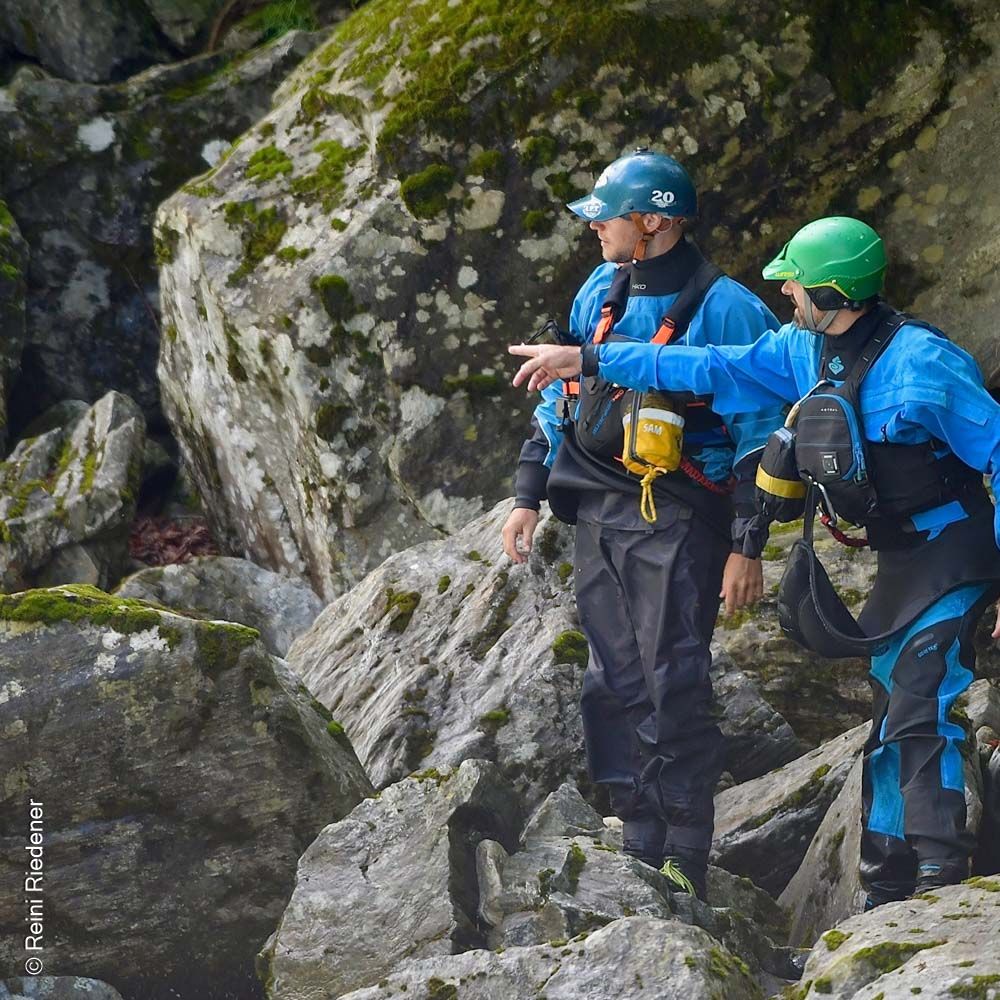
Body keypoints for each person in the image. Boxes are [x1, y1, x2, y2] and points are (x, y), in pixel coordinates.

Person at [509, 215, 1000, 906]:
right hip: (900, 560)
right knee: (892, 716)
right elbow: (708, 365)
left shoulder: (924, 362)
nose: (785, 292)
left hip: (954, 550)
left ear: (829, 292)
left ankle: (941, 876)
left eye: (794, 282)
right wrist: (590, 361)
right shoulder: (801, 349)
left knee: (922, 704)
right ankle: (887, 882)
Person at [500, 148, 784, 901]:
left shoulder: (728, 307)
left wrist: (744, 548)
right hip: (594, 507)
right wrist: (528, 492)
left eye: (607, 217)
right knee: (608, 682)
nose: (595, 230)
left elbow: (762, 433)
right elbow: (558, 397)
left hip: (678, 515)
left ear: (652, 222)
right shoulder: (602, 286)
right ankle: (637, 834)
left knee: (674, 680)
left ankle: (684, 855)